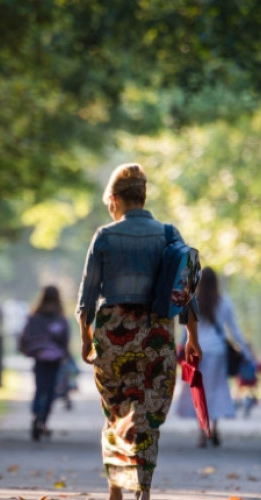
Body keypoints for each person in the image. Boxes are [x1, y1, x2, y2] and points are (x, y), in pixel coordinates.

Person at [75, 163, 202, 500]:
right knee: (147, 415)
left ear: (115, 198)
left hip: (113, 332)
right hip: (154, 334)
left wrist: (86, 340)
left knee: (117, 412)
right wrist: (192, 336)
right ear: (143, 197)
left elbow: (86, 298)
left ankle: (116, 488)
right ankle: (142, 491)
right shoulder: (168, 234)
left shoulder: (104, 236)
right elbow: (184, 287)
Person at [176, 266, 254, 447]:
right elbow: (235, 330)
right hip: (218, 353)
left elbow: (185, 331)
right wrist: (247, 353)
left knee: (198, 391)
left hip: (196, 352)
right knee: (217, 391)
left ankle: (202, 434)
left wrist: (181, 350)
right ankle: (214, 429)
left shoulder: (191, 300)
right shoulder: (224, 302)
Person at [19, 285, 70, 441]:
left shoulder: (35, 316)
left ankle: (35, 415)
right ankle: (43, 421)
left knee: (39, 388)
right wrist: (64, 355)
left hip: (39, 357)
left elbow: (25, 337)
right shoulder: (60, 318)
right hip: (54, 359)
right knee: (50, 391)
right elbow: (65, 339)